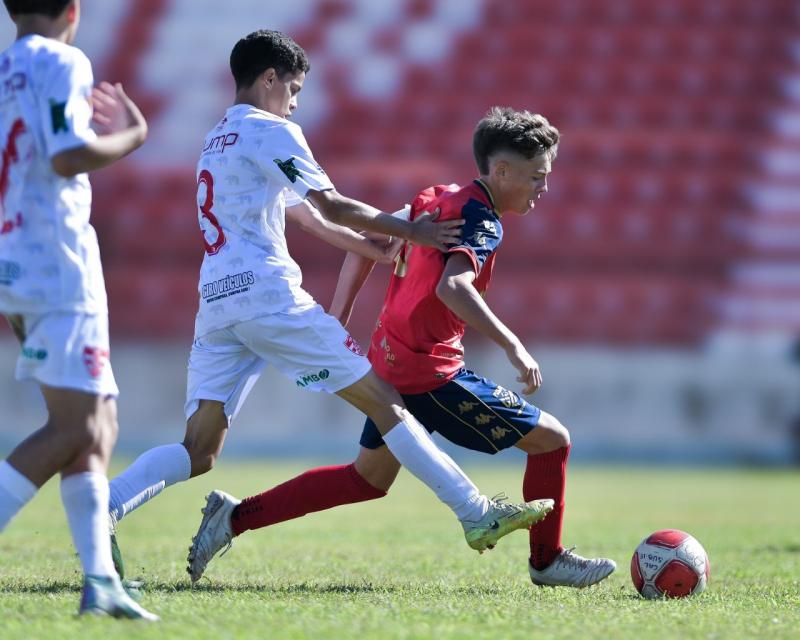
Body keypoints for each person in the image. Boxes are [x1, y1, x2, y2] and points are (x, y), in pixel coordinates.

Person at [106, 30, 554, 581]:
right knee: (387, 403)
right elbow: (332, 204)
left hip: (217, 301)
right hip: (266, 294)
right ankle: (475, 512)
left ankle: (103, 508)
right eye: (292, 88)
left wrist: (380, 246)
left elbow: (303, 217)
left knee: (199, 449)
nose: (295, 102)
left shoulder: (217, 136)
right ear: (269, 79)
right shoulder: (273, 129)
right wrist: (408, 230)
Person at [188, 107, 617, 589]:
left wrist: (339, 316)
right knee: (552, 441)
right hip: (430, 373)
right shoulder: (481, 221)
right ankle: (547, 560)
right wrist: (514, 345)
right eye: (537, 176)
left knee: (365, 480)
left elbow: (365, 245)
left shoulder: (436, 200)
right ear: (502, 171)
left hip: (391, 361)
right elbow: (453, 289)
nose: (543, 188)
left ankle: (233, 517)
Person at [0, 0, 157, 619]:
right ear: (74, 9)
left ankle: (101, 583)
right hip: (56, 259)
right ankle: (100, 583)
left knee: (100, 424)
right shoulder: (63, 60)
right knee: (75, 428)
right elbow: (68, 155)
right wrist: (133, 135)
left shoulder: (6, 66)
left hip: (17, 250)